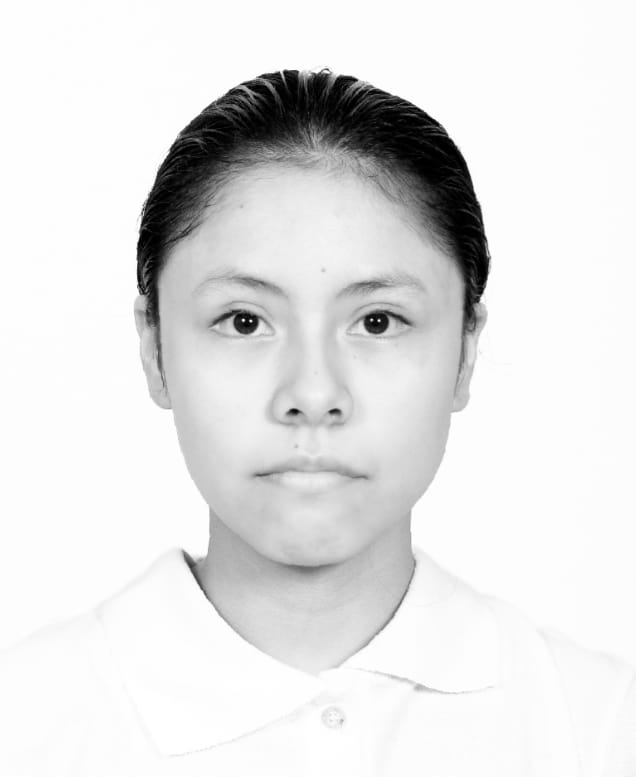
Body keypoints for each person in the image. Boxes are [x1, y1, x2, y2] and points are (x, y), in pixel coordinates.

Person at [1, 67, 634, 776]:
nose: (312, 393)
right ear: (154, 349)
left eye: (378, 321)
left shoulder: (599, 728)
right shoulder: (22, 726)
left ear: (464, 351)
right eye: (244, 321)